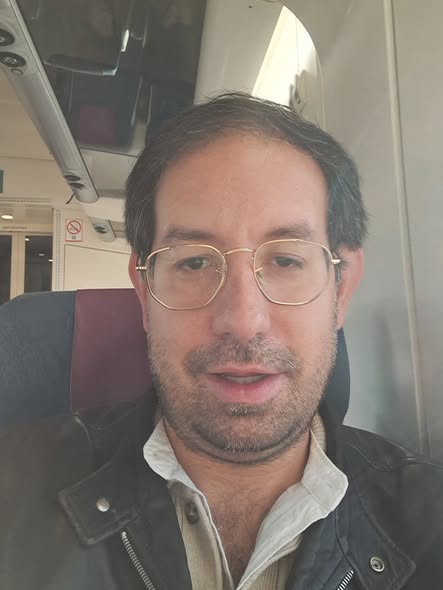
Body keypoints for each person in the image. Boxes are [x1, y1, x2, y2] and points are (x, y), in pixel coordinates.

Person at [1, 93, 442, 590]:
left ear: (341, 289)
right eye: (194, 262)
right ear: (145, 291)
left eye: (286, 260)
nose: (244, 322)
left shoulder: (430, 525)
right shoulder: (10, 490)